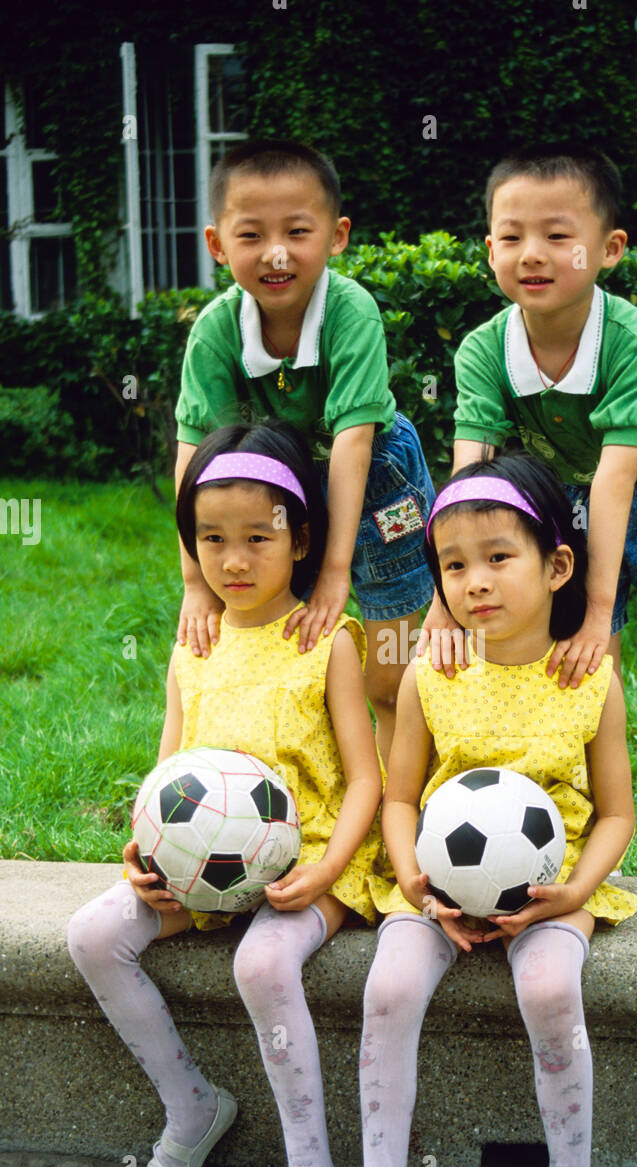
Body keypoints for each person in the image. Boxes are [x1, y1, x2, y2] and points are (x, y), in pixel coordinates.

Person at [67, 420, 387, 1167]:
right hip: (202, 867)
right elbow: (166, 771)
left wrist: (324, 871)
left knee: (261, 966)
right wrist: (142, 853)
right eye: (213, 540)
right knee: (93, 936)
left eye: (258, 537)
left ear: (302, 538)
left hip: (309, 863)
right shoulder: (193, 647)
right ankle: (193, 1105)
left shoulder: (328, 641)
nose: (234, 560)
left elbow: (367, 780)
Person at [328, 455, 637, 1167]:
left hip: (553, 888)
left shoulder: (589, 677)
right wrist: (417, 884)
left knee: (545, 991)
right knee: (387, 990)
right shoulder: (435, 675)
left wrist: (572, 894)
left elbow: (616, 814)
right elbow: (399, 800)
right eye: (453, 565)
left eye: (498, 557)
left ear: (556, 565)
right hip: (434, 887)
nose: (475, 582)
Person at [419, 144, 637, 878]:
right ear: (488, 249)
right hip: (568, 501)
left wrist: (599, 608)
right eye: (510, 237)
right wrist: (441, 596)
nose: (531, 255)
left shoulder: (632, 341)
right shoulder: (483, 350)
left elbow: (616, 478)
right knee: (573, 674)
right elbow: (468, 474)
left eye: (557, 236)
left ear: (607, 250)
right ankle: (558, 840)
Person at [174, 138, 437, 762]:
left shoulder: (352, 314)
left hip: (376, 484)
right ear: (217, 244)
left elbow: (352, 444)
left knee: (390, 672)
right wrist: (194, 580)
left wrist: (334, 573)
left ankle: (405, 809)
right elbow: (197, 455)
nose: (276, 254)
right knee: (299, 648)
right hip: (273, 496)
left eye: (297, 231)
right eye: (251, 235)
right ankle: (322, 794)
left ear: (337, 235)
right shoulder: (215, 330)